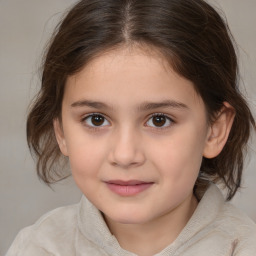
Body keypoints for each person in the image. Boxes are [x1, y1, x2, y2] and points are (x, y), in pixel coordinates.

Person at [6, 0, 256, 255]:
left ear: (214, 129)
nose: (125, 155)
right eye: (96, 119)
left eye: (159, 120)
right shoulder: (38, 247)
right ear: (61, 131)